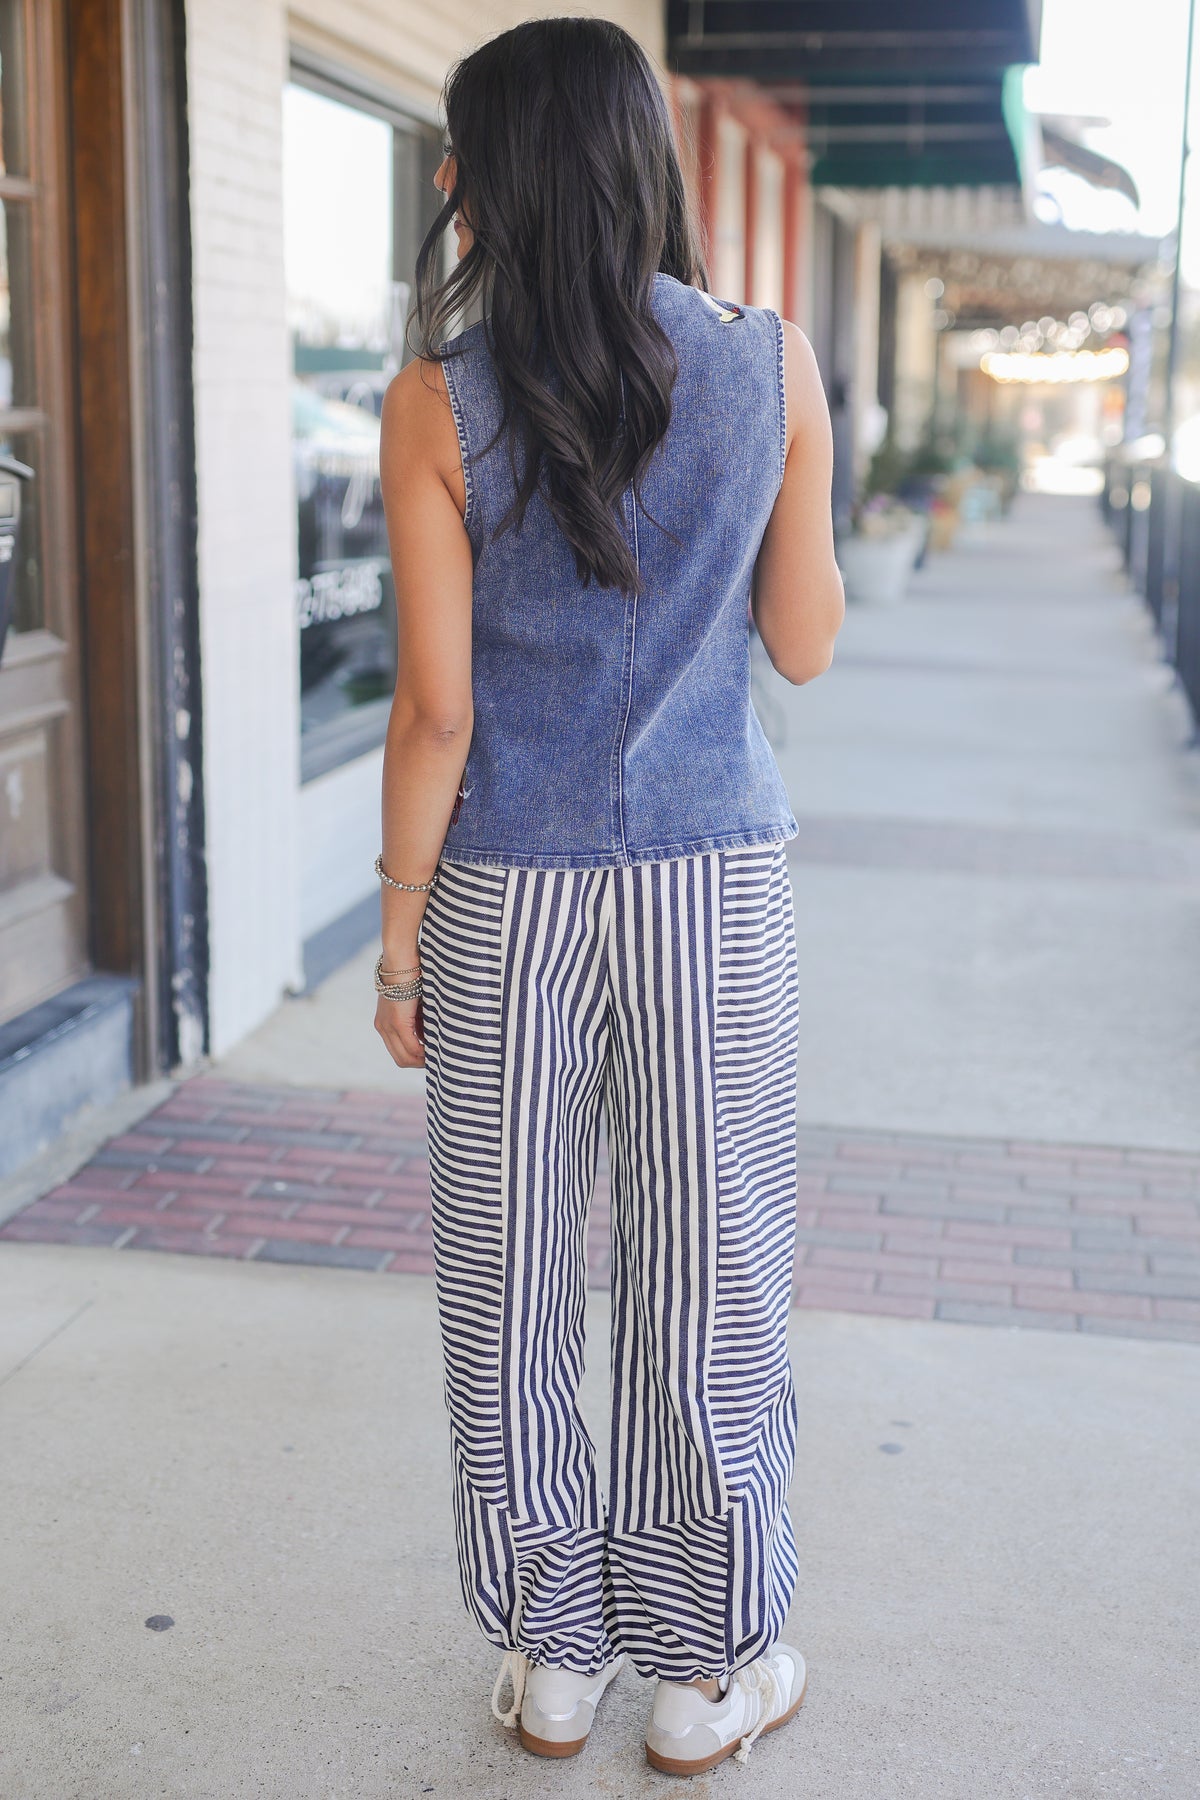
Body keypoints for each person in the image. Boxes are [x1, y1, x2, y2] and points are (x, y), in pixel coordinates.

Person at [372, 15, 844, 1778]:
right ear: (641, 163)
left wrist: (400, 936)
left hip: (507, 888)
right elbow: (801, 642)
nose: (440, 180)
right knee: (707, 1274)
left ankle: (554, 1655)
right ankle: (706, 1670)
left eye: (453, 152)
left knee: (509, 1280)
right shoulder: (771, 362)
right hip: (711, 886)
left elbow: (436, 712)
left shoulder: (438, 398)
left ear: (486, 180)